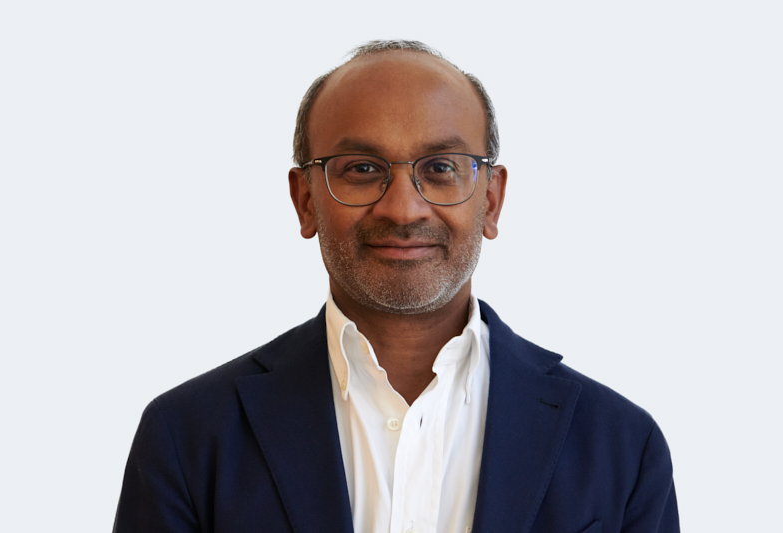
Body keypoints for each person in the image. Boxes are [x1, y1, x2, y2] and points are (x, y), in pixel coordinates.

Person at [113, 40, 679, 533]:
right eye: (361, 168)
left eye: (440, 167)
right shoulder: (187, 436)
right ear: (305, 200)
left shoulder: (621, 445)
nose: (404, 209)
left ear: (492, 200)